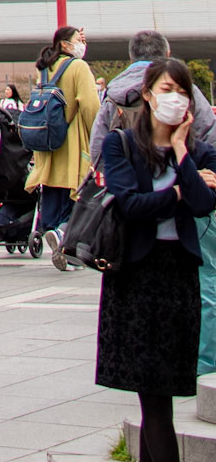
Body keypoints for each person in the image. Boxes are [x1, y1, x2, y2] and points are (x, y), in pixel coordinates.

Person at [95, 60, 216, 462]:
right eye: (166, 90)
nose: (175, 99)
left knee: (160, 399)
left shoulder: (201, 152)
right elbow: (130, 205)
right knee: (155, 400)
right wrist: (181, 191)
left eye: (182, 91)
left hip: (179, 277)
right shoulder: (121, 144)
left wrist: (182, 151)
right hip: (135, 278)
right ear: (147, 94)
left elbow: (204, 204)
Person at [27, 25, 100, 255]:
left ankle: (50, 229)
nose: (82, 45)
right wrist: (97, 135)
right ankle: (62, 236)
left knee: (51, 187)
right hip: (73, 139)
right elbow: (90, 105)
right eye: (78, 40)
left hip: (48, 140)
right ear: (66, 45)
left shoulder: (46, 68)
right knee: (75, 187)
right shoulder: (79, 67)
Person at [91, 33, 216, 164]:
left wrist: (115, 173)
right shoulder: (185, 89)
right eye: (166, 89)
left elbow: (98, 148)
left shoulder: (113, 95)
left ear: (131, 58)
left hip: (127, 173)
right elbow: (209, 133)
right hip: (183, 172)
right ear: (167, 54)